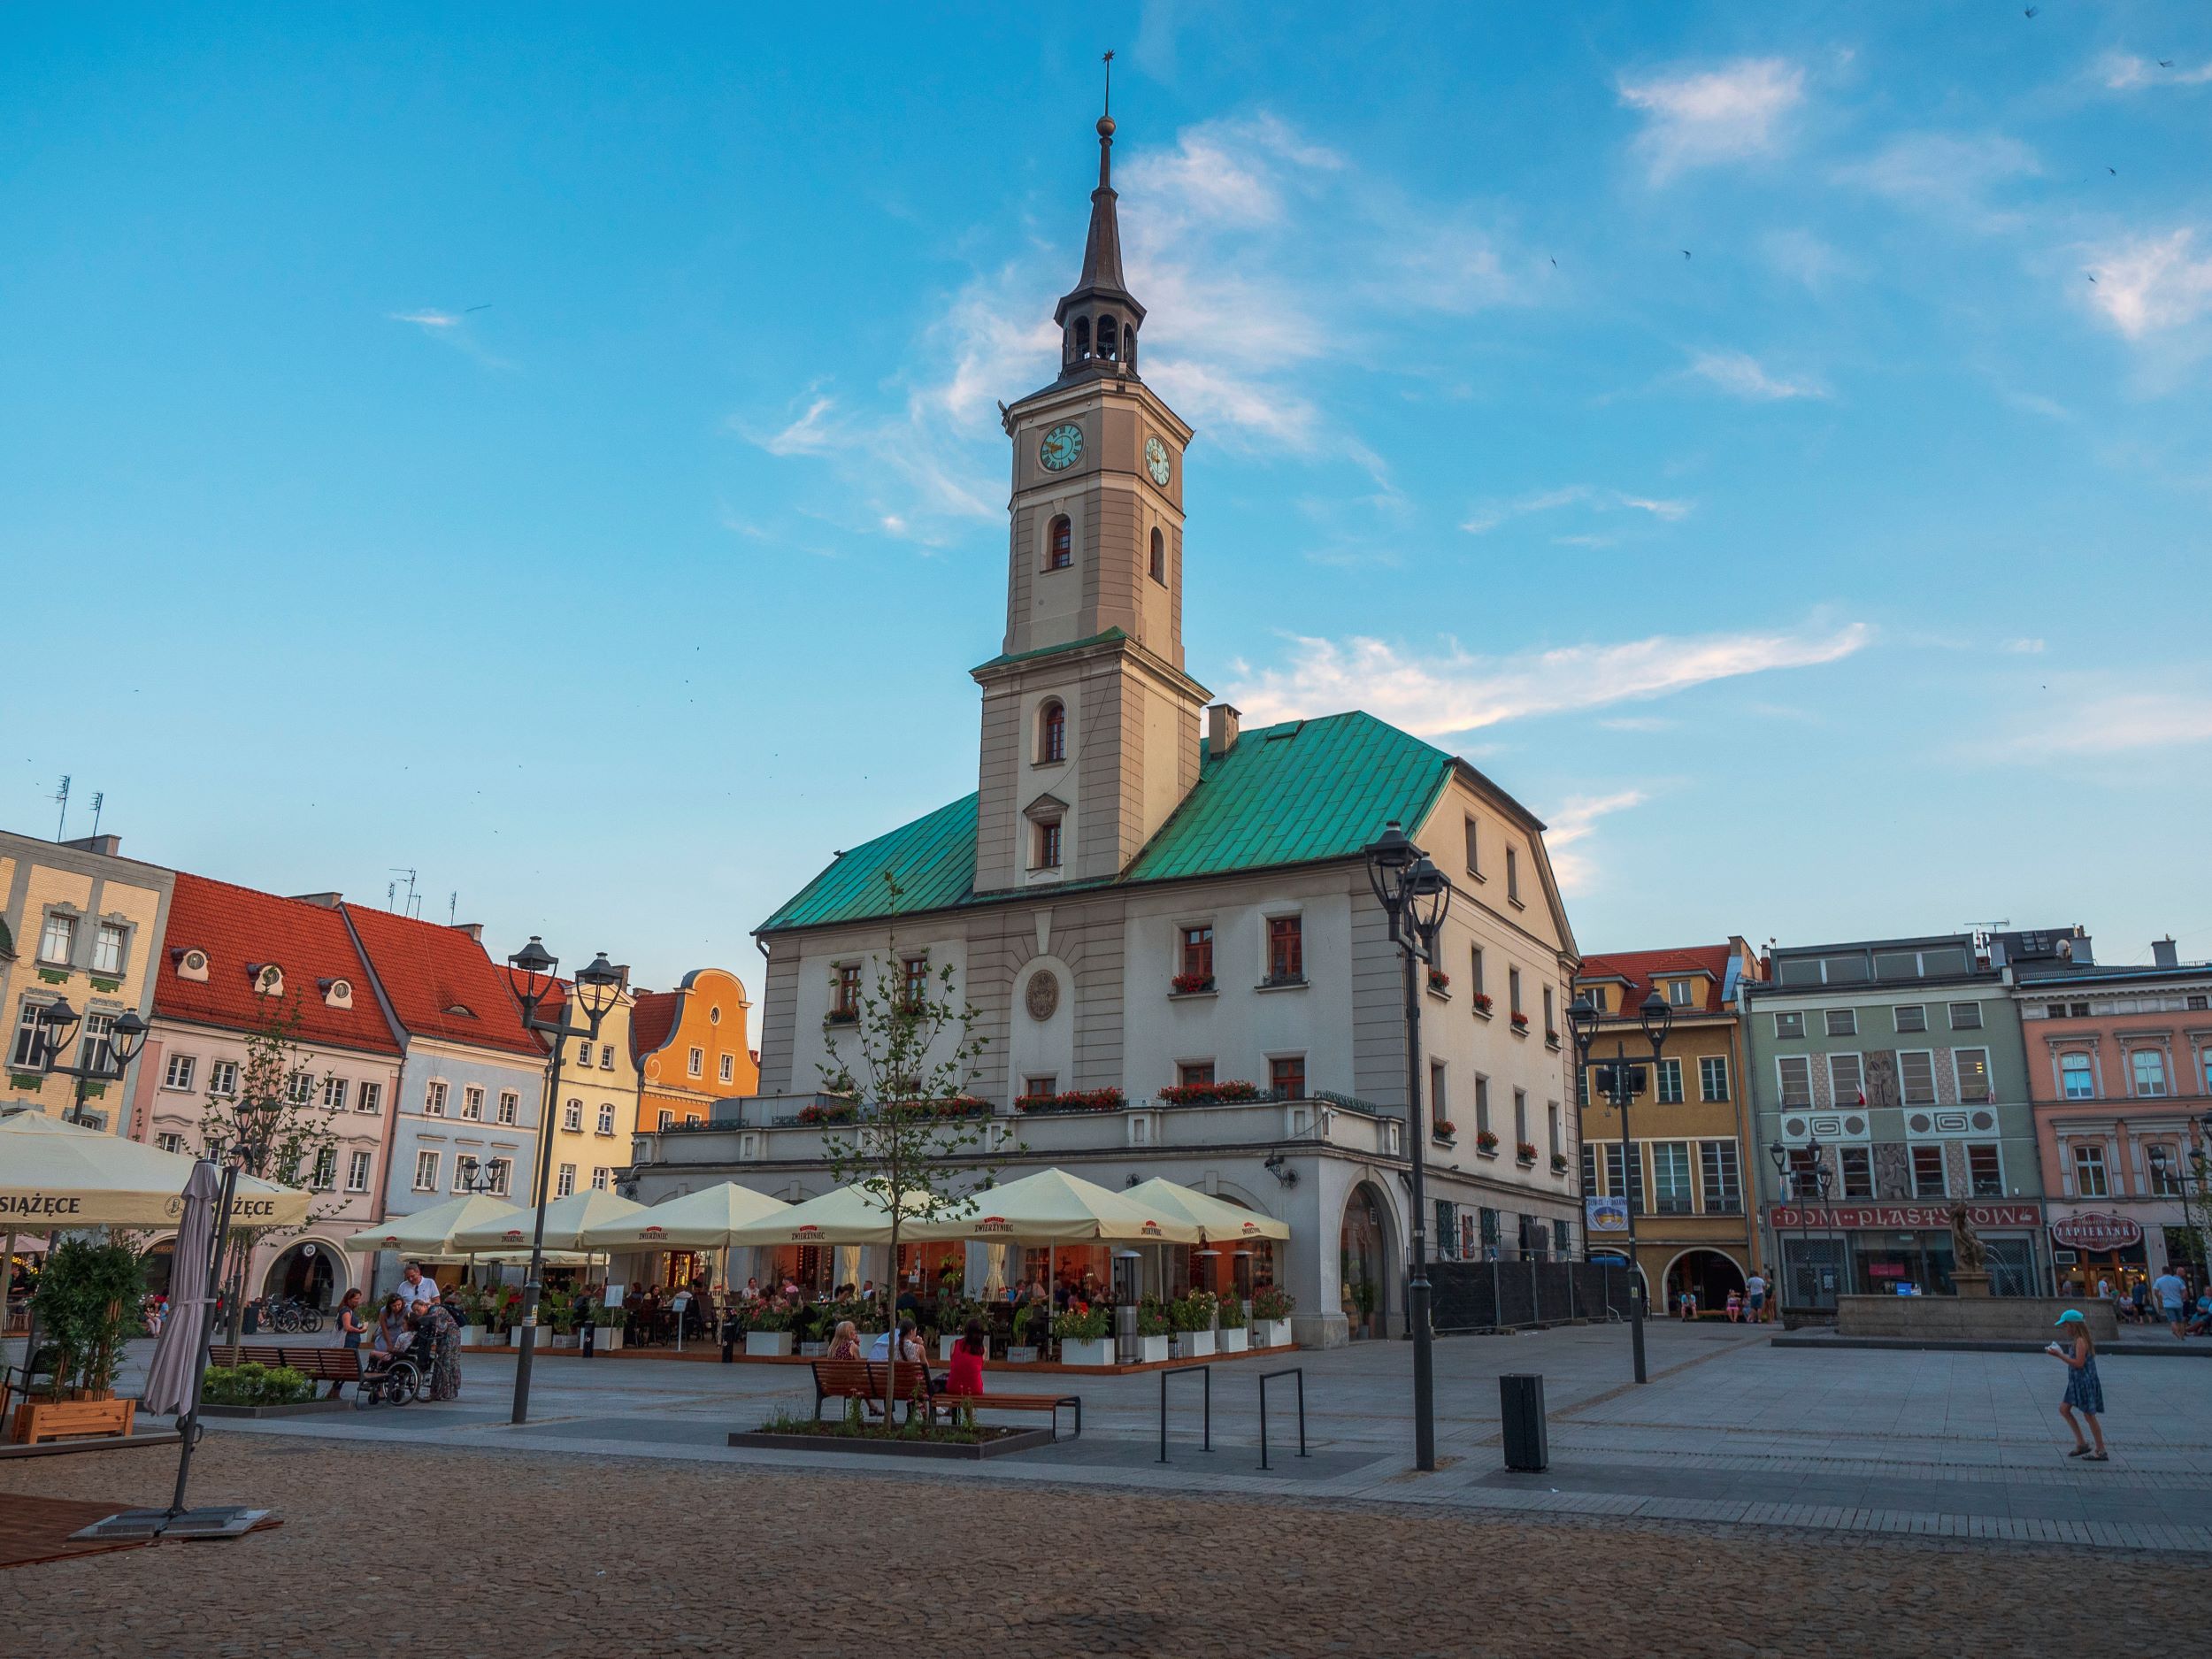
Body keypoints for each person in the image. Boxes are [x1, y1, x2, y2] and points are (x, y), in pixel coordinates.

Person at [2047, 1309, 2107, 1461]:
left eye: (2066, 1325)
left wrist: (2059, 1355)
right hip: (2076, 1382)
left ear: (2073, 1325)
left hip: (2084, 1382)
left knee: (2089, 1416)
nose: (2065, 1329)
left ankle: (2101, 1450)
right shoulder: (2079, 1339)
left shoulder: (2080, 1341)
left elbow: (2079, 1364)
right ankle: (2081, 1443)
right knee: (2064, 1409)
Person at [943, 1317, 987, 1426]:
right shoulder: (983, 1350)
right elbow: (978, 1367)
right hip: (975, 1389)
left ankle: (953, 1413)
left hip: (953, 1387)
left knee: (958, 1379)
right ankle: (969, 1423)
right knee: (967, 1383)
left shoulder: (955, 1344)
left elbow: (954, 1363)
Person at [420, 1298, 463, 1401]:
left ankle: (445, 1391)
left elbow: (441, 1327)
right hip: (447, 1337)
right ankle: (443, 1391)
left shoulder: (436, 1311)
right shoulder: (432, 1311)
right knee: (446, 1361)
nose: (418, 1312)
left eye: (418, 1309)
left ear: (424, 1306)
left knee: (447, 1361)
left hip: (450, 1337)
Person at [332, 1289, 369, 1399]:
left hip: (352, 1342)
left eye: (359, 1298)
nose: (358, 1301)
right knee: (345, 1368)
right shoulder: (346, 1311)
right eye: (356, 1299)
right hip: (348, 1343)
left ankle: (334, 1391)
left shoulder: (350, 1310)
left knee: (345, 1368)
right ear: (349, 1299)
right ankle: (335, 1392)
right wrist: (360, 1330)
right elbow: (347, 1327)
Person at [2151, 1267, 2188, 1340]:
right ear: (2170, 1271)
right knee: (2180, 1320)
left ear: (2163, 1272)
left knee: (2173, 1320)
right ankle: (2182, 1335)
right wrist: (2181, 1298)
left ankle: (2177, 1333)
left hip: (2167, 1303)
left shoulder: (2159, 1280)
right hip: (2178, 1303)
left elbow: (2155, 1291)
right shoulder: (2177, 1280)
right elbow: (2184, 1291)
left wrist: (2160, 1300)